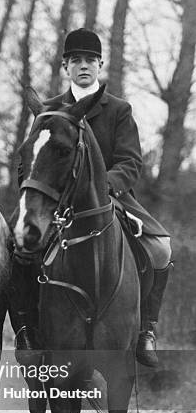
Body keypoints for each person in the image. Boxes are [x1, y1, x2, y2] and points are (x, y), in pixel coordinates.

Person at [11, 28, 171, 367]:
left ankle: (145, 330)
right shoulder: (49, 110)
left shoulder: (119, 110)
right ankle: (26, 327)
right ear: (65, 67)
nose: (83, 66)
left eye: (90, 60)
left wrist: (106, 186)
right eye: (76, 60)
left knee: (160, 249)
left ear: (99, 65)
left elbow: (131, 161)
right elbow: (31, 159)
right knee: (18, 245)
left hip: (111, 199)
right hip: (56, 202)